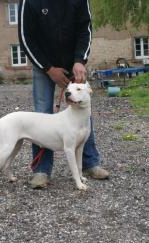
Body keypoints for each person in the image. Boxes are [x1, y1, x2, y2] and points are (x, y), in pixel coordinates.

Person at [18, 0, 109, 188]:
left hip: (74, 61)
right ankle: (42, 171)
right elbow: (26, 38)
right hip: (43, 65)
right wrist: (48, 69)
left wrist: (80, 60)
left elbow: (85, 29)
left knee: (83, 108)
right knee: (42, 113)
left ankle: (90, 163)